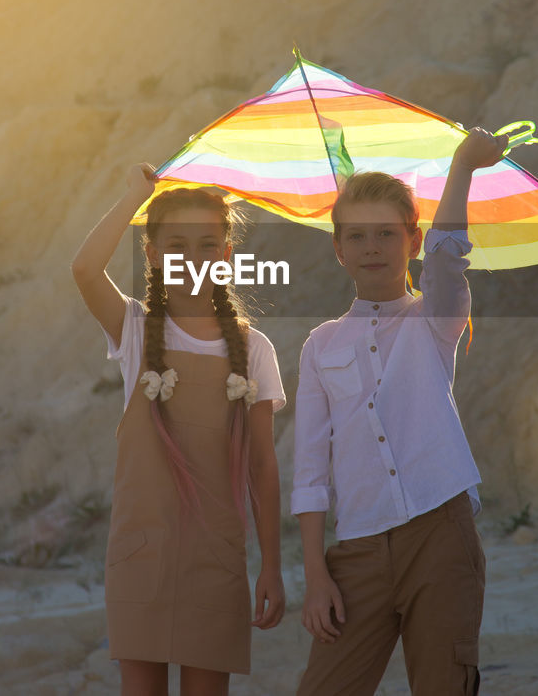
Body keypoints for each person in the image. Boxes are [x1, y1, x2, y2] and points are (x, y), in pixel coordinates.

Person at [291, 128, 507, 695]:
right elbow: (311, 474)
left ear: (412, 239)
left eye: (387, 233)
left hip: (441, 534)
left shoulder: (434, 319)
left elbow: (448, 259)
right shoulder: (320, 346)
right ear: (337, 249)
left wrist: (462, 167)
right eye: (356, 236)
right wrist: (316, 577)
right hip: (357, 550)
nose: (371, 247)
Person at [71, 163, 286, 696]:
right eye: (175, 244)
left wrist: (273, 569)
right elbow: (84, 270)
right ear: (150, 254)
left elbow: (262, 466)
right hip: (140, 553)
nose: (193, 257)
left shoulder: (255, 349)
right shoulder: (137, 330)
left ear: (228, 255)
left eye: (208, 243)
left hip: (216, 556)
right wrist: (135, 199)